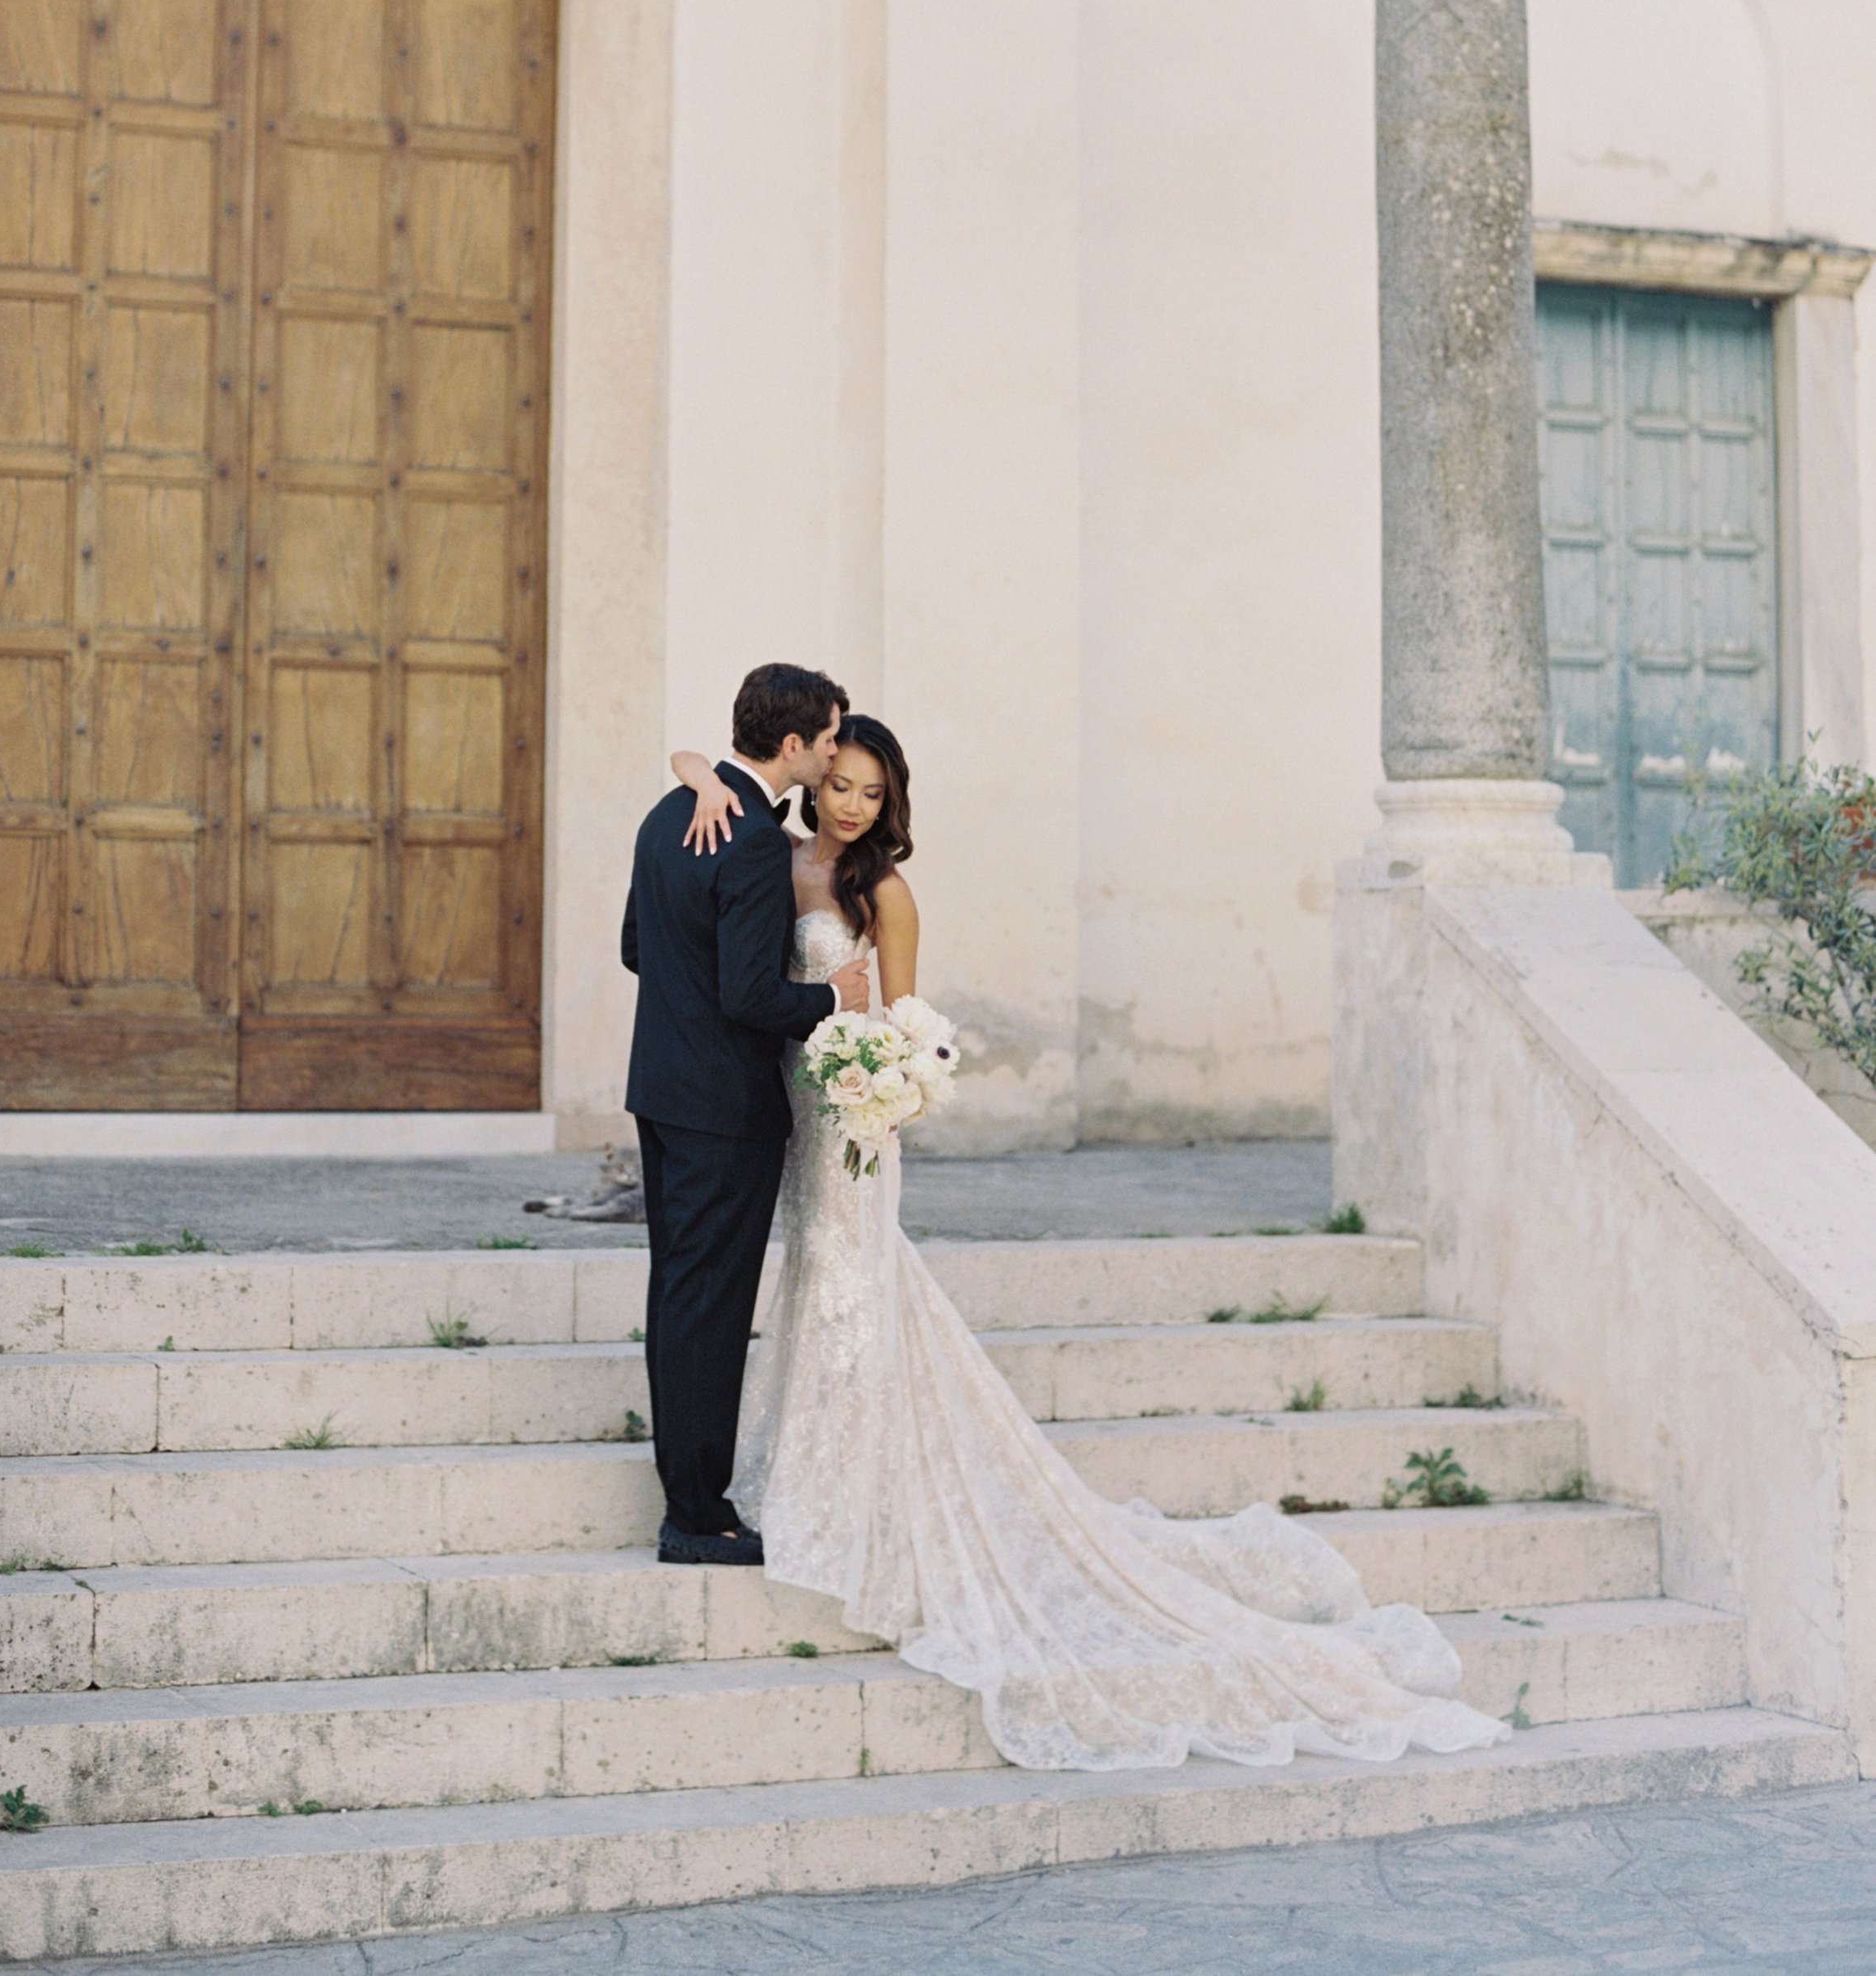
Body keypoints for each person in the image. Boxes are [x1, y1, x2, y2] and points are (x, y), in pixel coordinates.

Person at [663, 713, 1504, 1773]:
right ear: (812, 773)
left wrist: (897, 1086)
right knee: (812, 1295)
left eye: (873, 793)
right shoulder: (768, 854)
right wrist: (698, 770)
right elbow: (705, 768)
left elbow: (914, 1019)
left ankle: (862, 1506)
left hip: (854, 1124)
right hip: (792, 1115)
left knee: (853, 1290)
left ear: (890, 804)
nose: (850, 804)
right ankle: (807, 1482)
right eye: (840, 782)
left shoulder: (886, 893)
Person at [619, 663, 871, 1565]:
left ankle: (686, 1493)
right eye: (830, 738)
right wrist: (834, 1001)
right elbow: (751, 996)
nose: (837, 751)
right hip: (723, 1108)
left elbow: (635, 945)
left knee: (680, 1294)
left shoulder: (669, 811)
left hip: (661, 1092)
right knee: (711, 1309)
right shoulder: (755, 841)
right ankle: (696, 1516)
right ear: (795, 743)